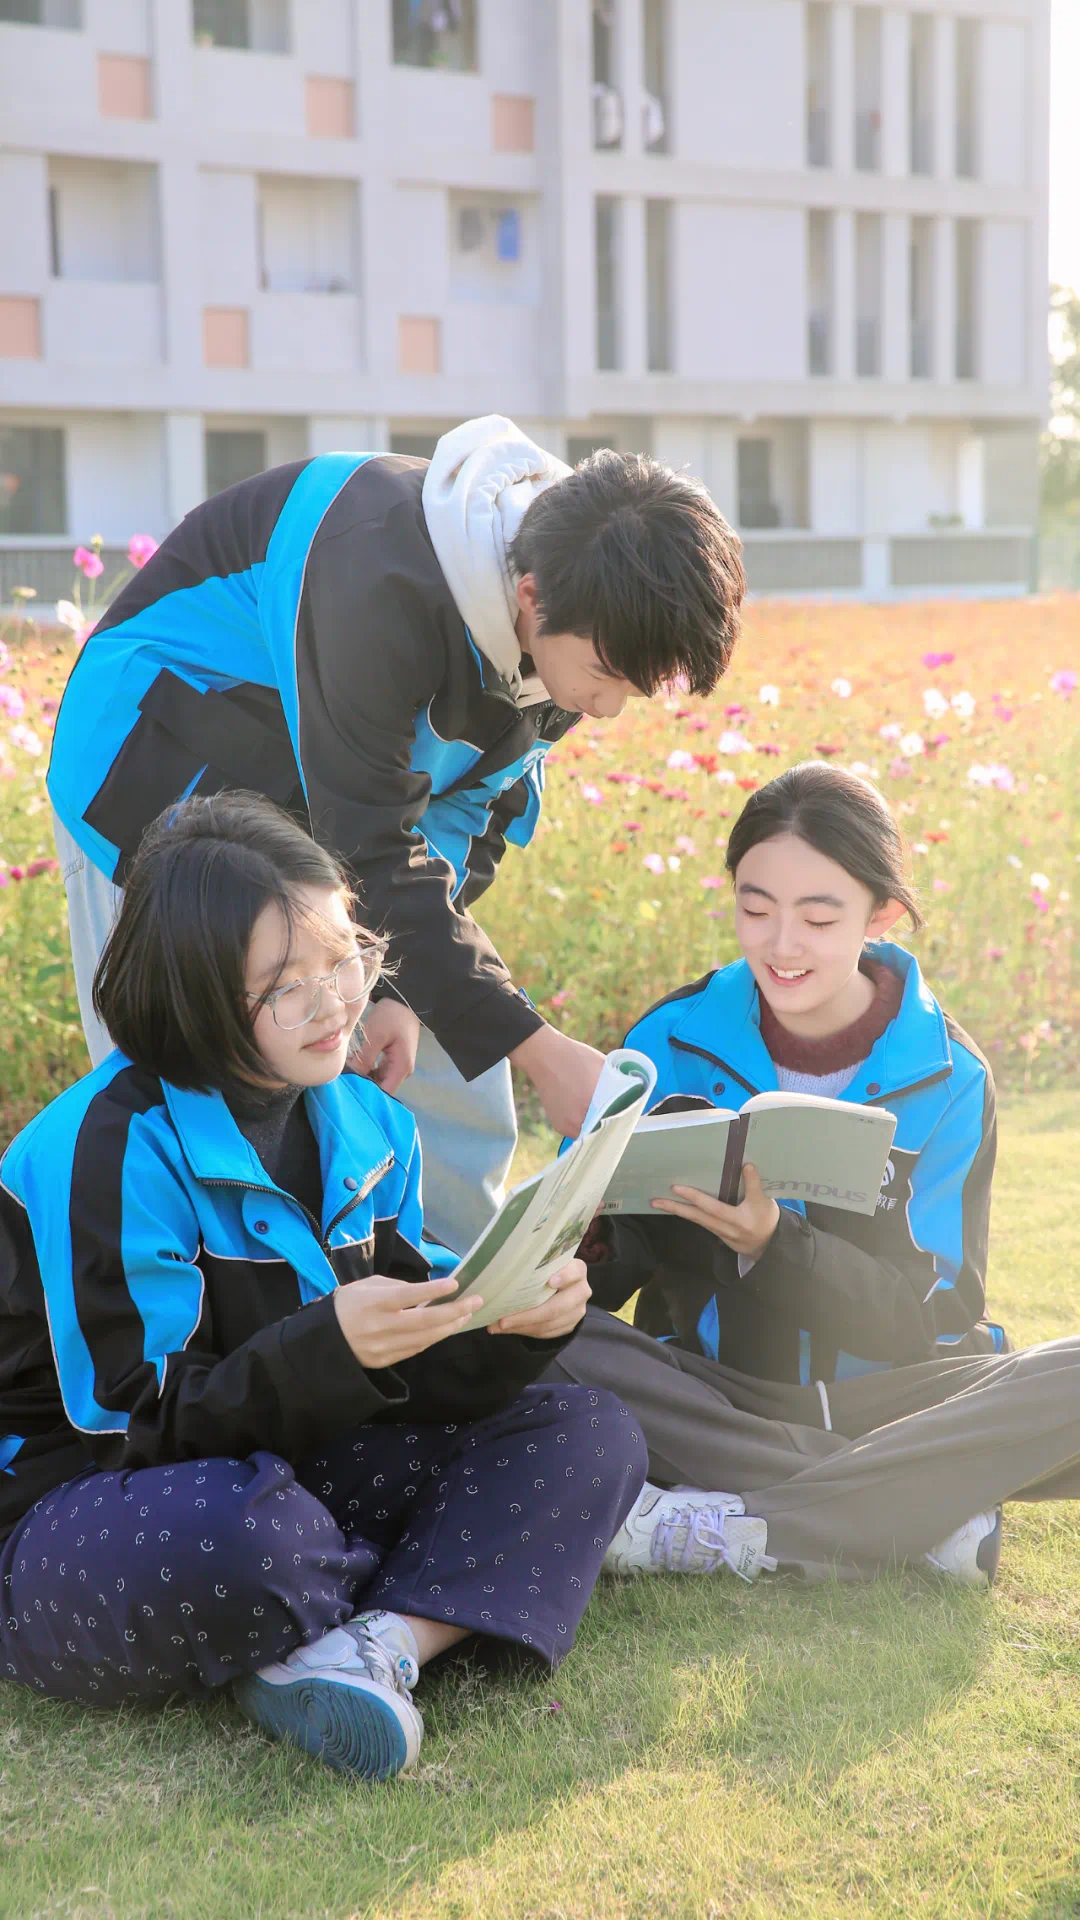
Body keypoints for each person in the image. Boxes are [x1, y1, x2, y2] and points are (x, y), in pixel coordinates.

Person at [0, 793, 646, 1781]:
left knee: (588, 1432)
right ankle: (424, 1576)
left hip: (288, 1464)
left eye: (345, 959)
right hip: (83, 1500)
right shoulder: (107, 1148)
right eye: (285, 987)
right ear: (195, 994)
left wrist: (515, 1324)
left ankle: (378, 1642)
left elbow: (410, 1383)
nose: (338, 1003)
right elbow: (130, 1429)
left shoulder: (370, 1122)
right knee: (251, 1539)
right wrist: (329, 1350)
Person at [47, 416, 745, 1254]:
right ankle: (207, 1312)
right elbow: (370, 845)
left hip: (325, 815)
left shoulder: (576, 622)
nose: (606, 709)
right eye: (605, 677)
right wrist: (540, 1051)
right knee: (197, 1076)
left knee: (445, 1057)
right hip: (156, 768)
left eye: (632, 689)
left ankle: (474, 1297)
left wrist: (398, 992)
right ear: (531, 598)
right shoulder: (374, 568)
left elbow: (459, 825)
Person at [546, 762, 1080, 1588]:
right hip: (705, 1392)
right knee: (537, 1346)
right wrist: (587, 1236)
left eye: (819, 918)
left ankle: (720, 1518)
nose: (781, 946)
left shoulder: (951, 1077)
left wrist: (776, 1245)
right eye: (755, 909)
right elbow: (582, 1280)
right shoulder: (672, 1038)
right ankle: (913, 1506)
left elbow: (934, 1318)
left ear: (881, 914)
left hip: (894, 1400)